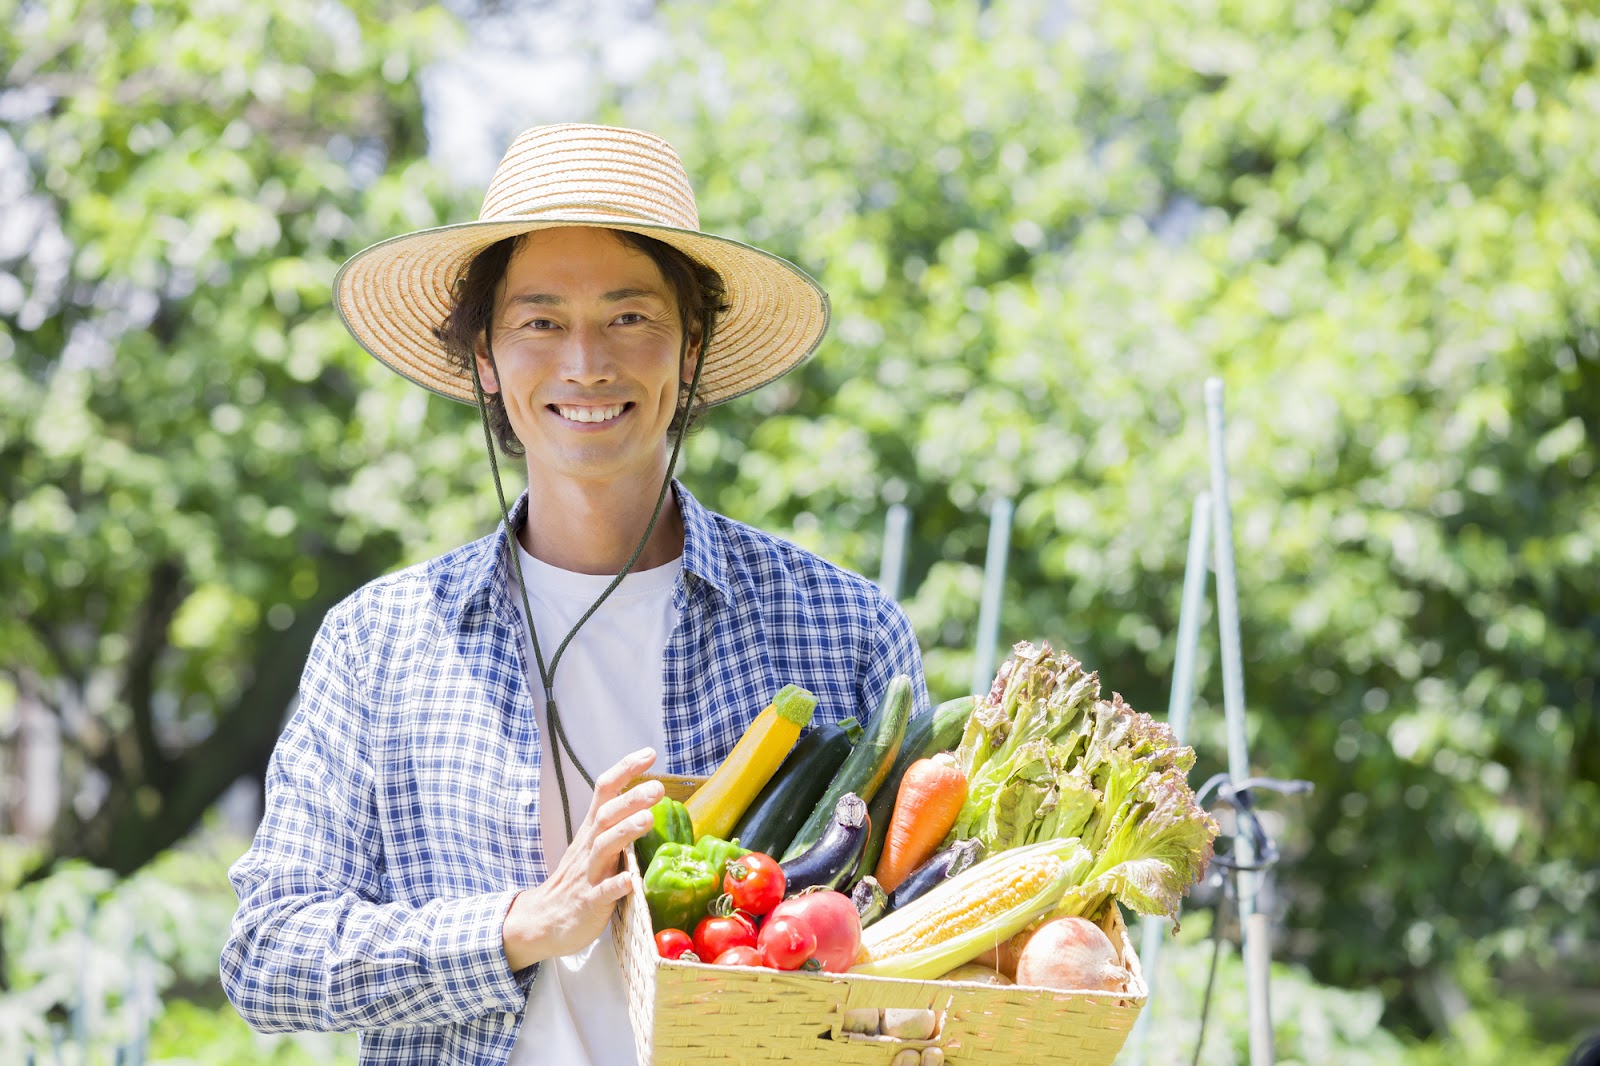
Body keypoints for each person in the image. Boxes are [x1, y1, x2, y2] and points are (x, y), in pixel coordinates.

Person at [220, 123, 929, 1066]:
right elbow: (268, 955)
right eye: (539, 321)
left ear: (692, 351)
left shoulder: (843, 630)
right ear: (484, 358)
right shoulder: (380, 643)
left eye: (630, 317)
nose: (586, 362)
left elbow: (910, 941)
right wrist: (520, 924)